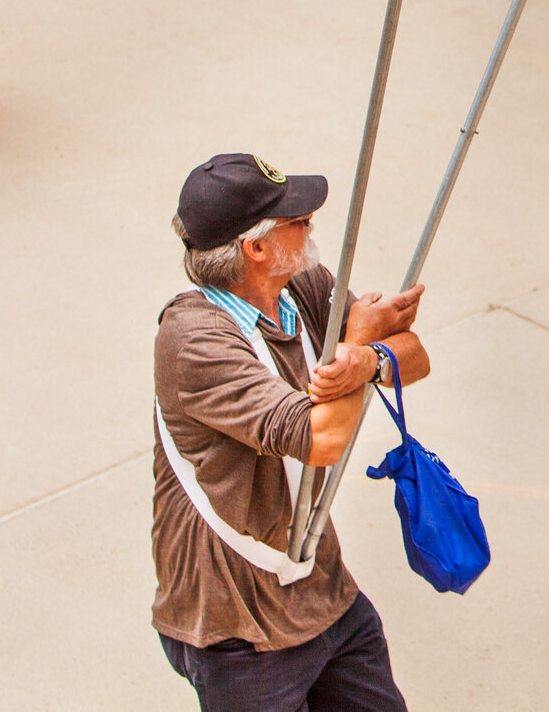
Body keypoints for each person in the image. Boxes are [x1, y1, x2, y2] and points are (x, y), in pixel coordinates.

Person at [154, 152, 431, 712]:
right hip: (238, 625)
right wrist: (359, 346)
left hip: (319, 587)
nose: (310, 227)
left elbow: (414, 356)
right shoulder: (193, 340)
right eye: (296, 221)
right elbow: (322, 436)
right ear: (255, 247)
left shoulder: (304, 286)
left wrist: (366, 356)